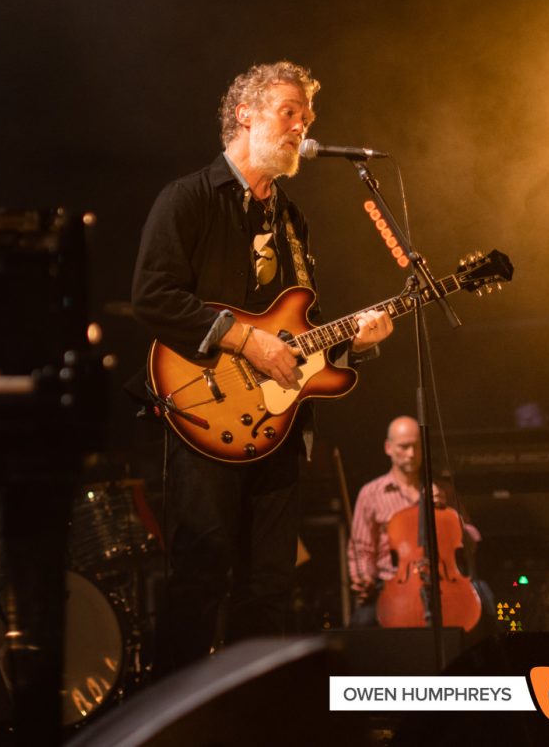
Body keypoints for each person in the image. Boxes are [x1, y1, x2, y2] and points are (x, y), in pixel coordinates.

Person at [131, 60, 393, 670]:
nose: (302, 125)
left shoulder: (293, 221)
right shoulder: (189, 198)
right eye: (289, 111)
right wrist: (247, 344)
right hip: (206, 411)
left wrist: (360, 339)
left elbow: (302, 333)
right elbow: (153, 296)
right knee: (201, 574)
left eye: (307, 116)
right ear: (244, 115)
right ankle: (176, 725)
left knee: (270, 587)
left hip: (279, 427)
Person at [346, 415, 486, 627]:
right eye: (404, 447)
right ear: (388, 447)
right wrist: (364, 578)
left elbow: (471, 543)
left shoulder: (444, 490)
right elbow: (362, 548)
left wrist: (446, 510)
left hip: (443, 582)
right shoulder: (371, 494)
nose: (411, 454)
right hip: (392, 584)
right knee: (361, 622)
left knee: (486, 600)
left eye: (416, 447)